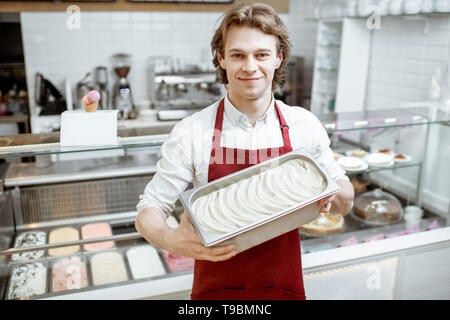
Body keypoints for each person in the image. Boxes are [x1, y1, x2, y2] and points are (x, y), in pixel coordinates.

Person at [134, 3, 354, 300]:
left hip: (283, 288)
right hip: (215, 292)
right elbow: (150, 208)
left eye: (261, 54)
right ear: (222, 59)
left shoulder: (304, 125)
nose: (250, 66)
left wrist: (333, 196)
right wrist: (170, 240)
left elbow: (344, 199)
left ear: (279, 58)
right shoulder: (192, 131)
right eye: (238, 55)